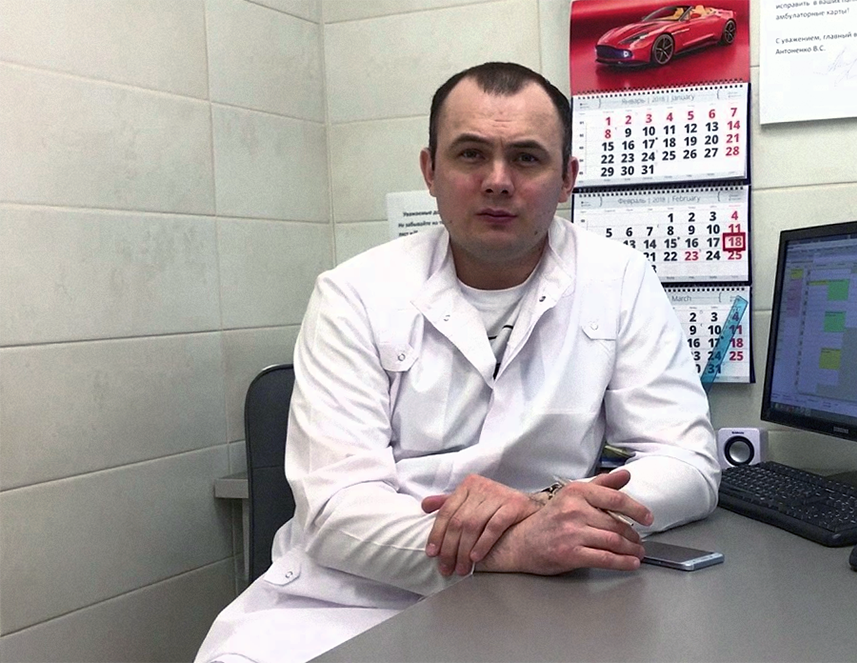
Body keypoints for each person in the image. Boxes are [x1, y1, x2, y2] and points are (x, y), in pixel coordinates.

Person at [195, 61, 720, 663]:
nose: (498, 181)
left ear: (567, 178)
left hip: (544, 594)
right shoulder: (354, 293)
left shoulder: (618, 279)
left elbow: (689, 464)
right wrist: (509, 546)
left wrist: (546, 503)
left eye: (527, 158)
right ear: (430, 170)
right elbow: (337, 512)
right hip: (346, 600)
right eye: (471, 154)